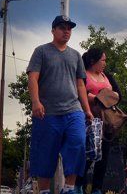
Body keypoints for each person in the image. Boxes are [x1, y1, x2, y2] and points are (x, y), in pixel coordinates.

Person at [27, 15, 94, 194]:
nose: (66, 31)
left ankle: (69, 188)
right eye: (62, 27)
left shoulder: (76, 55)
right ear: (53, 30)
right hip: (47, 113)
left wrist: (87, 110)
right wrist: (35, 102)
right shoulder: (41, 51)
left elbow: (81, 84)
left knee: (78, 143)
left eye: (69, 28)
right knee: (45, 153)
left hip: (73, 110)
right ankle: (43, 191)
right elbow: (33, 78)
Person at [76, 44, 122, 194]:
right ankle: (78, 184)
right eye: (103, 60)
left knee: (104, 154)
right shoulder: (82, 74)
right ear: (93, 61)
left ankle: (97, 188)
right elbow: (79, 92)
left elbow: (118, 95)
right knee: (89, 153)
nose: (105, 63)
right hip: (89, 118)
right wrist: (100, 97)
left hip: (107, 120)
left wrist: (100, 97)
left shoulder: (108, 76)